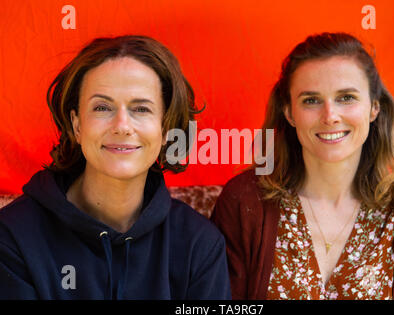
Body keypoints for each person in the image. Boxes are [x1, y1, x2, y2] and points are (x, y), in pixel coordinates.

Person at [0, 35, 231, 300]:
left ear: (167, 128)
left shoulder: (199, 245)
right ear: (76, 125)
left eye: (141, 109)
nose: (121, 125)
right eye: (102, 107)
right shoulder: (14, 236)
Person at [211, 32, 394, 300]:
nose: (330, 116)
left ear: (374, 107)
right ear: (289, 113)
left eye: (346, 97)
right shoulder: (244, 202)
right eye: (311, 100)